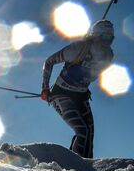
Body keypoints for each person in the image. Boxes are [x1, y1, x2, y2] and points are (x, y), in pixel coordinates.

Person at [40, 20, 115, 158]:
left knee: (89, 134)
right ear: (95, 36)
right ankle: (76, 170)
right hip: (61, 93)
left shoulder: (108, 56)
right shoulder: (77, 49)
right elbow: (49, 62)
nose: (107, 42)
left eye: (111, 39)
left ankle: (85, 168)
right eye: (104, 37)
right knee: (82, 131)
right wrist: (45, 88)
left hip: (81, 96)